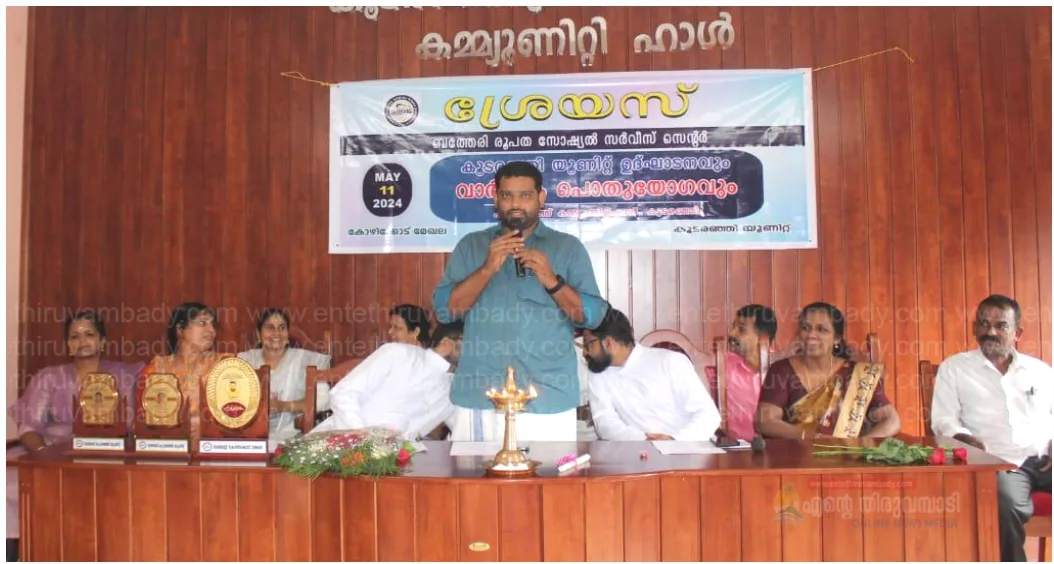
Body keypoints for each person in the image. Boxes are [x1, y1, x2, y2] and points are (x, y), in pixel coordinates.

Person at [433, 161, 606, 442]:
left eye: (525, 195)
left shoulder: (567, 248)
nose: (515, 204)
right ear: (495, 198)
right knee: (474, 472)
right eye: (507, 195)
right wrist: (487, 268)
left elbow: (592, 317)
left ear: (541, 198)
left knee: (546, 473)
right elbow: (445, 311)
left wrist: (552, 281)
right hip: (481, 396)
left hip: (547, 397)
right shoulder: (471, 246)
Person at [7, 310, 143, 559]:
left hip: (107, 456)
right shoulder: (49, 377)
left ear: (102, 341)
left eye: (89, 334)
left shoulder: (123, 376)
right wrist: (43, 455)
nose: (82, 341)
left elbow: (131, 424)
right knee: (8, 487)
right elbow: (29, 427)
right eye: (75, 336)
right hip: (51, 455)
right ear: (68, 344)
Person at [930, 294, 1052, 562]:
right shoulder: (955, 368)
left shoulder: (1040, 371)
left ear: (1017, 333)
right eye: (984, 324)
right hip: (1000, 464)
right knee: (1004, 503)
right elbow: (942, 421)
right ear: (974, 328)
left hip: (1046, 460)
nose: (991, 332)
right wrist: (963, 438)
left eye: (1001, 325)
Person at [756, 302, 900, 439]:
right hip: (796, 452)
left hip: (850, 455)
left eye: (822, 330)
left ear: (836, 338)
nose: (811, 335)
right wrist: (812, 438)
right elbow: (765, 421)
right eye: (805, 328)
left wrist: (862, 445)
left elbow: (892, 420)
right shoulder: (781, 370)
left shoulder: (858, 374)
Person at [584, 307, 721, 441]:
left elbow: (708, 415)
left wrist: (673, 440)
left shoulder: (670, 361)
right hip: (637, 450)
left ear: (608, 343)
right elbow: (604, 422)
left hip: (686, 447)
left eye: (589, 344)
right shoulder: (598, 372)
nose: (585, 352)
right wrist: (646, 441)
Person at [312, 321, 464, 440]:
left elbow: (464, 433)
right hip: (337, 446)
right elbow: (343, 394)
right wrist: (362, 441)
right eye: (467, 342)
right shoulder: (398, 354)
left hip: (395, 463)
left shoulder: (455, 390)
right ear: (446, 343)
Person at [141, 302, 232, 450]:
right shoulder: (156, 368)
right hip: (165, 452)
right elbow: (143, 418)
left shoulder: (224, 365)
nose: (211, 330)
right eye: (202, 323)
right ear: (180, 329)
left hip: (210, 452)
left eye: (212, 325)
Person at [237, 308, 332, 446]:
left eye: (282, 328)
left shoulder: (307, 360)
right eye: (270, 327)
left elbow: (323, 401)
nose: (276, 333)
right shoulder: (245, 361)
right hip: (250, 440)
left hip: (294, 440)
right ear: (258, 334)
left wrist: (283, 406)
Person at [705, 304, 780, 440]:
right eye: (734, 327)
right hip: (732, 448)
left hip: (776, 447)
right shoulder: (721, 364)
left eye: (741, 329)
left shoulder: (783, 368)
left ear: (762, 338)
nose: (732, 334)